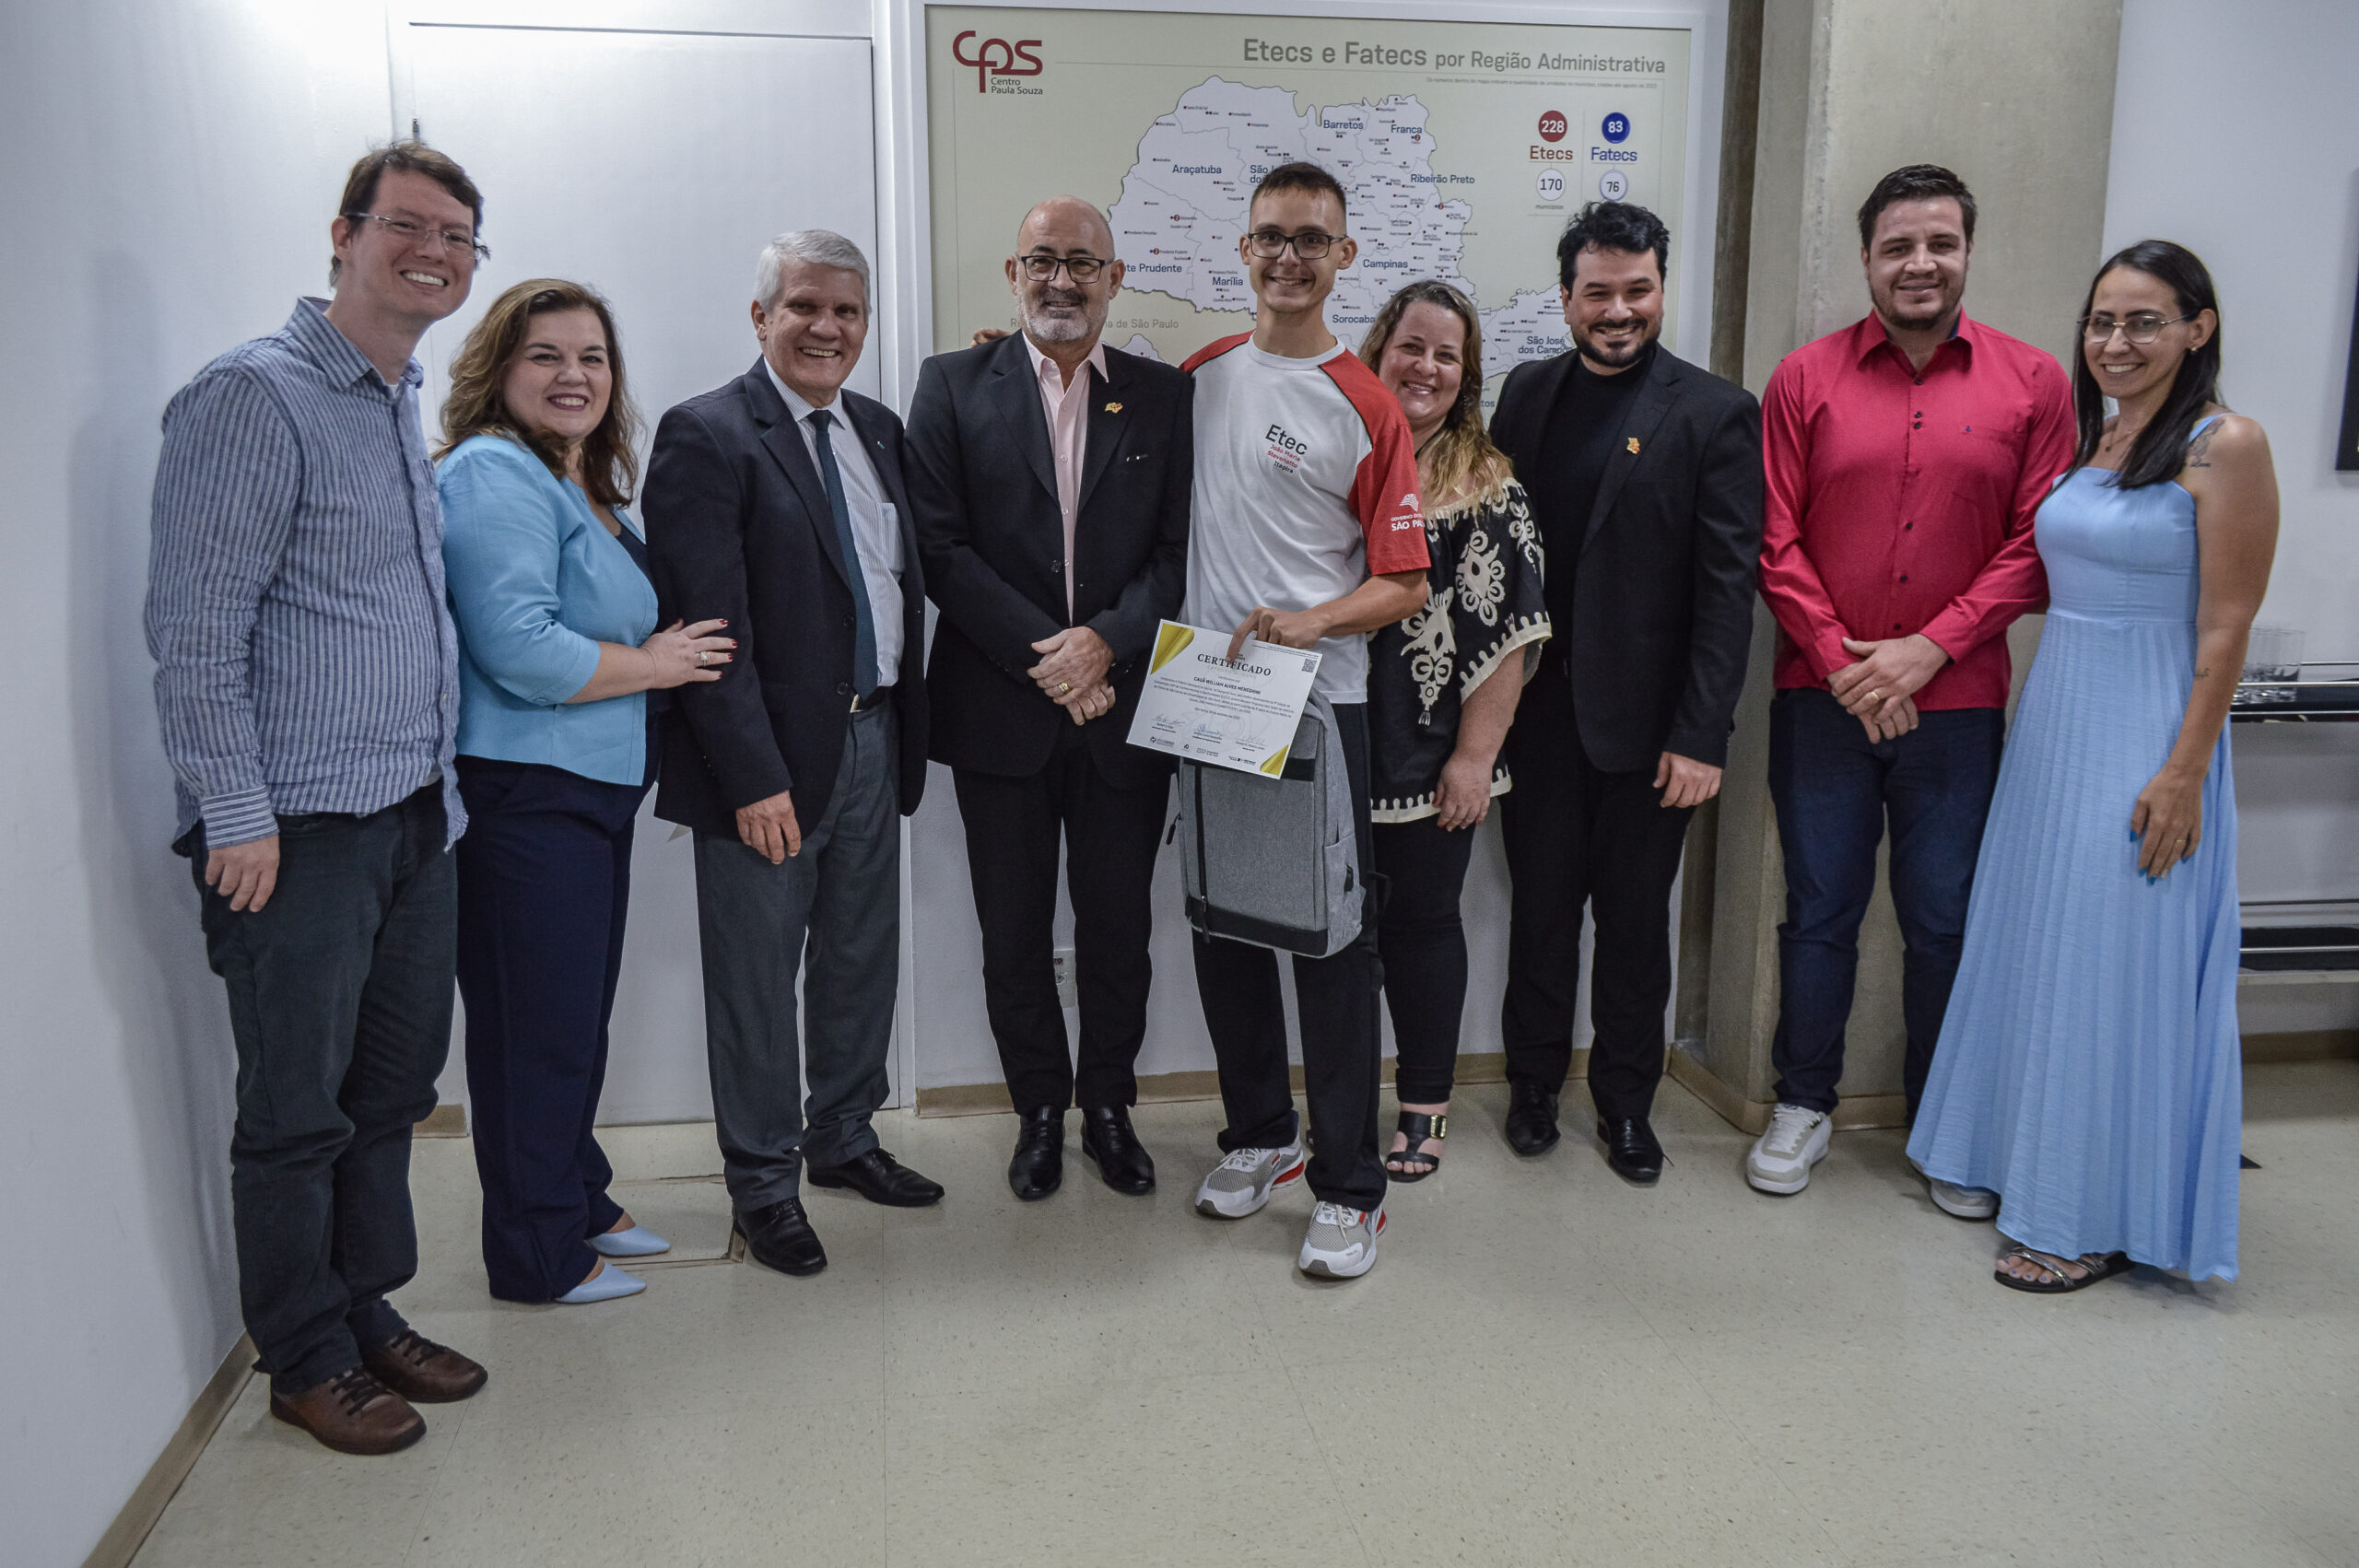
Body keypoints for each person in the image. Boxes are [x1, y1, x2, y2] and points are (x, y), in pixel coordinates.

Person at [144, 140, 490, 1456]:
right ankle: (304, 1356)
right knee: (295, 1109)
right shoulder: (254, 395)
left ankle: (365, 1307)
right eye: (409, 225)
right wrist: (234, 808)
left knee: (392, 1089)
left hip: (411, 814)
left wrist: (441, 798)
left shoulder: (394, 402)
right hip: (294, 833)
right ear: (342, 235)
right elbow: (192, 629)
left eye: (460, 235)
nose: (437, 250)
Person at [1909, 241, 2275, 1290]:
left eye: (2144, 321)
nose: (2116, 342)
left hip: (2148, 730)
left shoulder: (2224, 444)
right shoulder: (2102, 436)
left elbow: (2226, 627)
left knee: (2115, 964)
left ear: (2197, 329)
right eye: (2102, 322)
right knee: (2040, 950)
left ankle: (2088, 1215)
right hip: (2056, 723)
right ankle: (2016, 1163)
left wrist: (2183, 771)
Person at [1750, 165, 2074, 1199]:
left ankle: (1945, 1126)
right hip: (1821, 697)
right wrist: (1849, 662)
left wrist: (1928, 649)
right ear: (1866, 259)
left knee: (1943, 919)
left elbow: (2037, 544)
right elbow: (1772, 537)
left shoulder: (2035, 385)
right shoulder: (1804, 379)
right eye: (1898, 246)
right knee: (1819, 911)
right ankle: (1802, 1104)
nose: (1919, 263)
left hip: (1960, 706)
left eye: (1938, 243)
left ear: (1967, 251)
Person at [644, 230, 940, 1280]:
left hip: (877, 732)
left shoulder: (878, 429)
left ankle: (844, 1138)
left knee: (861, 958)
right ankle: (763, 1183)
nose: (827, 329)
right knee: (756, 982)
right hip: (766, 761)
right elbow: (708, 633)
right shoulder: (706, 435)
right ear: (761, 317)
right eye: (806, 307)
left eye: (847, 313)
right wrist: (751, 776)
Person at [437, 280, 736, 1305]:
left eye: (593, 357)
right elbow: (519, 650)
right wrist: (655, 665)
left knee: (573, 1021)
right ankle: (536, 1254)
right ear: (498, 370)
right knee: (536, 1031)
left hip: (587, 793)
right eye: (547, 356)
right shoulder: (490, 473)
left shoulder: (570, 477)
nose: (575, 376)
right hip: (527, 794)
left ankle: (577, 1198)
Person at [907, 198, 1192, 1201]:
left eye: (1082, 262)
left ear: (1114, 278)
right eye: (1042, 261)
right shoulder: (948, 386)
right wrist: (1054, 658)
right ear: (1011, 270)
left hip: (1123, 710)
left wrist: (1103, 645)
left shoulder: (1163, 396)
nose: (1061, 279)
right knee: (1013, 932)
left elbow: (1174, 557)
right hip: (1002, 712)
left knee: (1119, 929)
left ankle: (1107, 1104)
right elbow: (937, 548)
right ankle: (1037, 1110)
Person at [1181, 161, 1429, 1278]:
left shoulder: (1367, 403)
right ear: (1243, 250)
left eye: (1311, 239)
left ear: (1344, 256)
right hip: (1204, 698)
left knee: (1332, 947)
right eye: (1270, 236)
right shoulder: (1196, 376)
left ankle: (1348, 1185)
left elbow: (1405, 581)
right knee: (1222, 924)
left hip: (1318, 708)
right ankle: (1260, 1136)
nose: (1288, 256)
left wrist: (1314, 620)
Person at [1487, 203, 1765, 1180]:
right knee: (1540, 917)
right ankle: (1530, 1090)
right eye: (1597, 291)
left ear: (1660, 290)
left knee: (1635, 928)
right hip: (1535, 719)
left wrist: (1701, 734)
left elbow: (1728, 592)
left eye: (1636, 290)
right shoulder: (1522, 395)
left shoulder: (1714, 412)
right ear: (1566, 297)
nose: (1618, 310)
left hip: (1653, 738)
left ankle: (1625, 1106)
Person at [1355, 281, 1550, 1181]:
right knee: (1336, 941)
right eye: (1412, 346)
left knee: (1422, 929)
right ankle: (1341, 1099)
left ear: (1466, 375)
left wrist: (1475, 759)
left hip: (1432, 761)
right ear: (1379, 346)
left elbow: (1510, 635)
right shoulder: (1334, 447)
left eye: (1446, 354)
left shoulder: (1487, 487)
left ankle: (1424, 1107)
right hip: (1329, 751)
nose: (1425, 367)